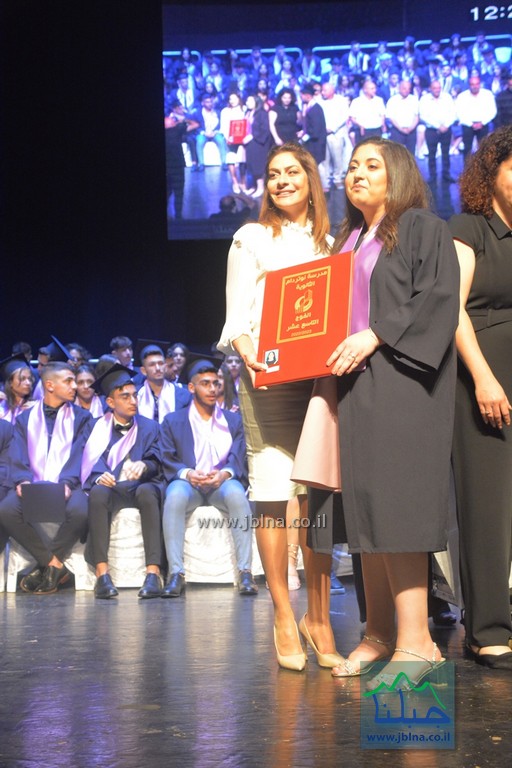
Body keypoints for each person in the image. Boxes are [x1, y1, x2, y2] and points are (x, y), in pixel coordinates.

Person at [314, 138, 460, 686]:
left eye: (371, 165)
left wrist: (374, 335)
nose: (357, 173)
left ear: (397, 174)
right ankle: (378, 633)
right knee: (365, 510)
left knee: (397, 508)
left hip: (403, 380)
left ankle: (418, 641)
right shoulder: (348, 239)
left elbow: (437, 298)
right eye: (352, 166)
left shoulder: (422, 227)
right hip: (353, 383)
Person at [218, 142, 344, 671]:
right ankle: (283, 614)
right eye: (273, 174)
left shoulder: (332, 244)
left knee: (317, 500)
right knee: (272, 495)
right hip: (267, 382)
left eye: (293, 172)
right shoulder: (251, 237)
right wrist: (250, 355)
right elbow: (236, 320)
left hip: (320, 383)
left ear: (311, 180)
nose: (282, 181)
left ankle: (320, 617)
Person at [448, 127, 512, 670]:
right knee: (487, 506)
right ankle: (486, 629)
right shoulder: (470, 228)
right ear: (491, 174)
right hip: (484, 379)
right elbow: (453, 310)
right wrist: (485, 378)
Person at [160, 358, 258, 598]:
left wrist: (224, 473)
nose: (213, 389)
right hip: (189, 483)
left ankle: (245, 572)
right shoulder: (174, 420)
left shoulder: (232, 420)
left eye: (215, 383)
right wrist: (188, 473)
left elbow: (239, 456)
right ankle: (175, 573)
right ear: (191, 387)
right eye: (205, 384)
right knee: (174, 495)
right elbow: (167, 457)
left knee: (237, 495)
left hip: (220, 483)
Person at [0, 362, 92, 593]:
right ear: (50, 385)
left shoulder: (82, 417)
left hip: (70, 484)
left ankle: (48, 566)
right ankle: (52, 563)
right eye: (68, 381)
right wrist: (22, 480)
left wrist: (67, 482)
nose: (75, 386)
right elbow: (17, 453)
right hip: (32, 482)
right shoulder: (25, 418)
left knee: (80, 511)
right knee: (6, 510)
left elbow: (81, 453)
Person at [81, 364, 164, 600]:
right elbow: (86, 459)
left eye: (135, 395)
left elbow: (157, 459)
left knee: (149, 493)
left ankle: (153, 573)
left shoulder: (149, 426)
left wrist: (144, 465)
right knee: (98, 493)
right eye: (125, 396)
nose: (133, 401)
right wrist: (99, 475)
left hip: (139, 486)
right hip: (112, 488)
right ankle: (102, 574)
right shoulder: (95, 427)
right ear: (110, 402)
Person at [136, 344, 190, 423]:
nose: (158, 368)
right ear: (143, 371)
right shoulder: (136, 395)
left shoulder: (184, 395)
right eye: (152, 365)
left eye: (160, 363)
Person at [0, 354, 36, 423]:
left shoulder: (35, 406)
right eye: (22, 379)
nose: (28, 383)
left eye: (29, 379)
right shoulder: (1, 406)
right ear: (10, 382)